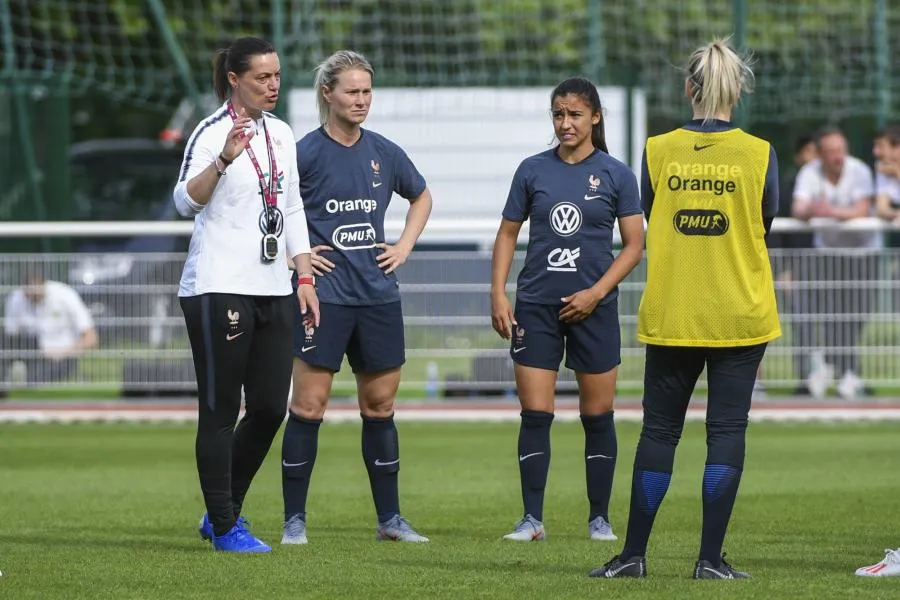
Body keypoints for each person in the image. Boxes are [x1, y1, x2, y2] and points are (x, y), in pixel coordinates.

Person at [591, 38, 780, 580]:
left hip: (675, 311)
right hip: (740, 313)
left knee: (659, 433)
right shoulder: (760, 152)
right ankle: (709, 561)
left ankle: (632, 557)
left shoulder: (657, 150)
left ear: (688, 86)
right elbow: (764, 220)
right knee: (726, 431)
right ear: (736, 89)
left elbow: (653, 214)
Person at [280, 50, 432, 545]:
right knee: (308, 406)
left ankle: (390, 520)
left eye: (367, 91)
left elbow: (421, 196)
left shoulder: (384, 152)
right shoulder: (303, 152)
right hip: (323, 298)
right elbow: (270, 208)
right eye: (352, 91)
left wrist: (404, 246)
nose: (361, 100)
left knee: (380, 404)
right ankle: (294, 522)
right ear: (328, 93)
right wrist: (293, 260)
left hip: (377, 296)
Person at [173, 36, 319, 553]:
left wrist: (304, 276)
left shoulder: (281, 133)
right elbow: (182, 202)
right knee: (218, 409)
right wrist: (224, 162)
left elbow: (293, 207)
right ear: (235, 80)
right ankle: (225, 524)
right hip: (218, 285)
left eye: (276, 75)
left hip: (272, 285)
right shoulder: (212, 132)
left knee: (268, 408)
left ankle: (220, 513)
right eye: (262, 77)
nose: (273, 85)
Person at [490, 77, 645, 543]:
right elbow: (507, 234)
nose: (565, 123)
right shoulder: (532, 170)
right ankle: (531, 520)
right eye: (558, 115)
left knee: (597, 416)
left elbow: (635, 245)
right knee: (535, 413)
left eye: (575, 114)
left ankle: (599, 518)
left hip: (594, 310)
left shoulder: (617, 174)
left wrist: (596, 293)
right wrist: (498, 292)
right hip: (536, 306)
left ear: (595, 117)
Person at [791, 126, 877, 400]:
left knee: (856, 317)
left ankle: (834, 366)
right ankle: (844, 373)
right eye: (830, 151)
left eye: (840, 149)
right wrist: (811, 211)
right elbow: (798, 208)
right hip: (827, 254)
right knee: (830, 317)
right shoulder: (809, 173)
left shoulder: (859, 170)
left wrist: (831, 212)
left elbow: (862, 209)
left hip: (862, 255)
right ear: (820, 154)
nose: (837, 156)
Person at [765, 134, 817, 395]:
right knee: (775, 320)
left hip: (820, 265)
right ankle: (803, 378)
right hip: (790, 264)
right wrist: (786, 268)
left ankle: (817, 377)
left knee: (821, 323)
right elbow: (778, 226)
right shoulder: (790, 184)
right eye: (810, 151)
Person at [1, 265, 98, 394]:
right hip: (32, 352)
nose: (32, 290)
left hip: (62, 355)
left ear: (44, 283)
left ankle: (24, 380)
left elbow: (91, 338)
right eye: (28, 285)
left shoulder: (65, 295)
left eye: (36, 284)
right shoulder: (16, 299)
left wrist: (62, 352)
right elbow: (10, 336)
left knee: (33, 380)